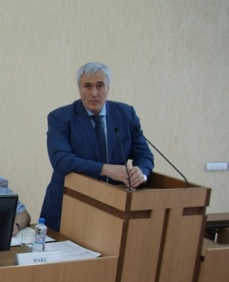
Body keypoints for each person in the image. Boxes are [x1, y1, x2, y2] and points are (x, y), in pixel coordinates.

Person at [40, 62, 154, 232]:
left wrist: (141, 173)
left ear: (108, 87)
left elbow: (144, 155)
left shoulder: (126, 114)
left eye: (100, 85)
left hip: (113, 205)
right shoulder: (61, 117)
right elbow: (61, 160)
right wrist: (106, 169)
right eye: (88, 86)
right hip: (70, 204)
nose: (94, 93)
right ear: (79, 89)